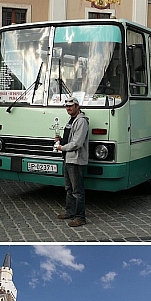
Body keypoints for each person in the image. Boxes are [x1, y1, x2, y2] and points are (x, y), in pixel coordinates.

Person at [55, 97, 89, 227]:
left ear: (77, 106)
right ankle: (70, 212)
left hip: (75, 160)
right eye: (67, 106)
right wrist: (61, 140)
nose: (68, 108)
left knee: (77, 190)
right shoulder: (71, 120)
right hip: (68, 158)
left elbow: (77, 143)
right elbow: (70, 139)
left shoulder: (81, 121)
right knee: (69, 188)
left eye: (71, 106)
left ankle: (80, 217)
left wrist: (61, 147)